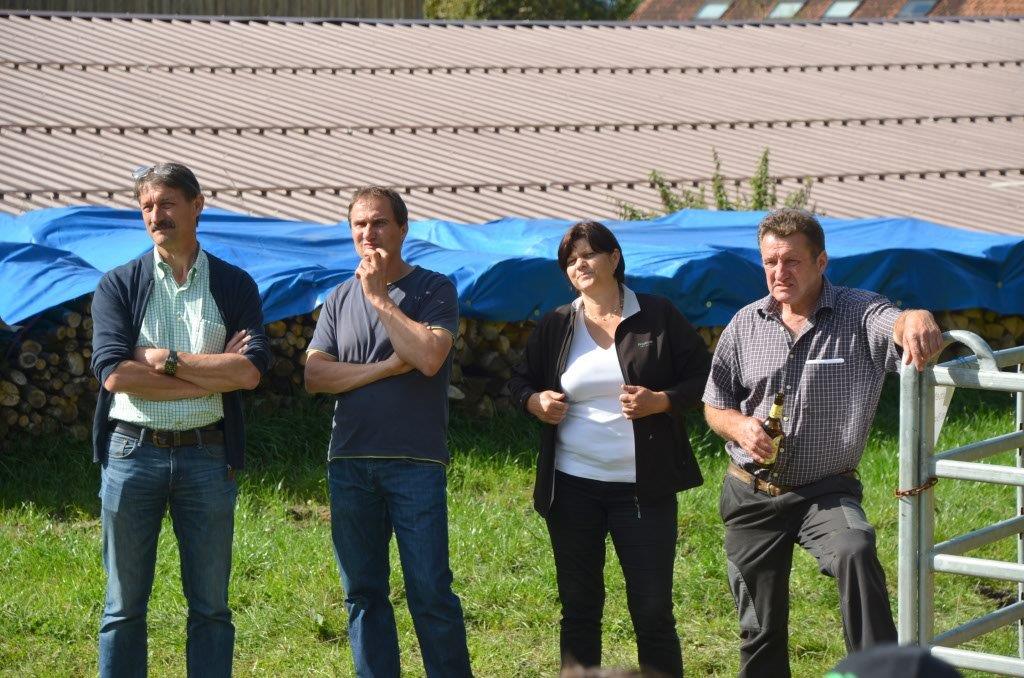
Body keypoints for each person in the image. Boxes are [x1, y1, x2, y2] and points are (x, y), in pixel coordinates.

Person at [702, 208, 944, 678]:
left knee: (855, 549)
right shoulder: (745, 323)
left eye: (792, 261)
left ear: (821, 261)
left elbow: (893, 323)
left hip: (825, 490)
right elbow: (714, 403)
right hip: (751, 493)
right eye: (770, 261)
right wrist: (740, 427)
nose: (779, 272)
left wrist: (915, 316)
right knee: (759, 629)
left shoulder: (857, 312)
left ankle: (879, 670)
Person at [90, 162, 271, 677]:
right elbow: (114, 374)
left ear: (197, 205)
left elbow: (250, 372)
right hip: (131, 454)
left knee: (211, 607)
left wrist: (161, 359)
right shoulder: (118, 285)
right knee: (123, 607)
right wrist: (212, 375)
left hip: (208, 456)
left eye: (167, 203)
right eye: (147, 206)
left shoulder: (234, 285)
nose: (156, 215)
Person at [508, 221, 712, 678]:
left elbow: (704, 377)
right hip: (572, 487)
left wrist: (661, 401)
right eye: (570, 259)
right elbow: (519, 382)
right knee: (579, 608)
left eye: (588, 254)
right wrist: (534, 402)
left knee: (653, 610)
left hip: (643, 488)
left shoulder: (657, 314)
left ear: (614, 258)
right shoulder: (557, 323)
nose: (579, 265)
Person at [304, 186, 473, 678]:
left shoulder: (433, 289)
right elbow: (315, 376)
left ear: (403, 228)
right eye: (359, 224)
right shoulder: (339, 297)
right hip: (349, 461)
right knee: (363, 593)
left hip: (414, 461)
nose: (368, 233)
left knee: (430, 590)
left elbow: (429, 357)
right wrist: (384, 368)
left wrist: (379, 298)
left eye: (378, 222)